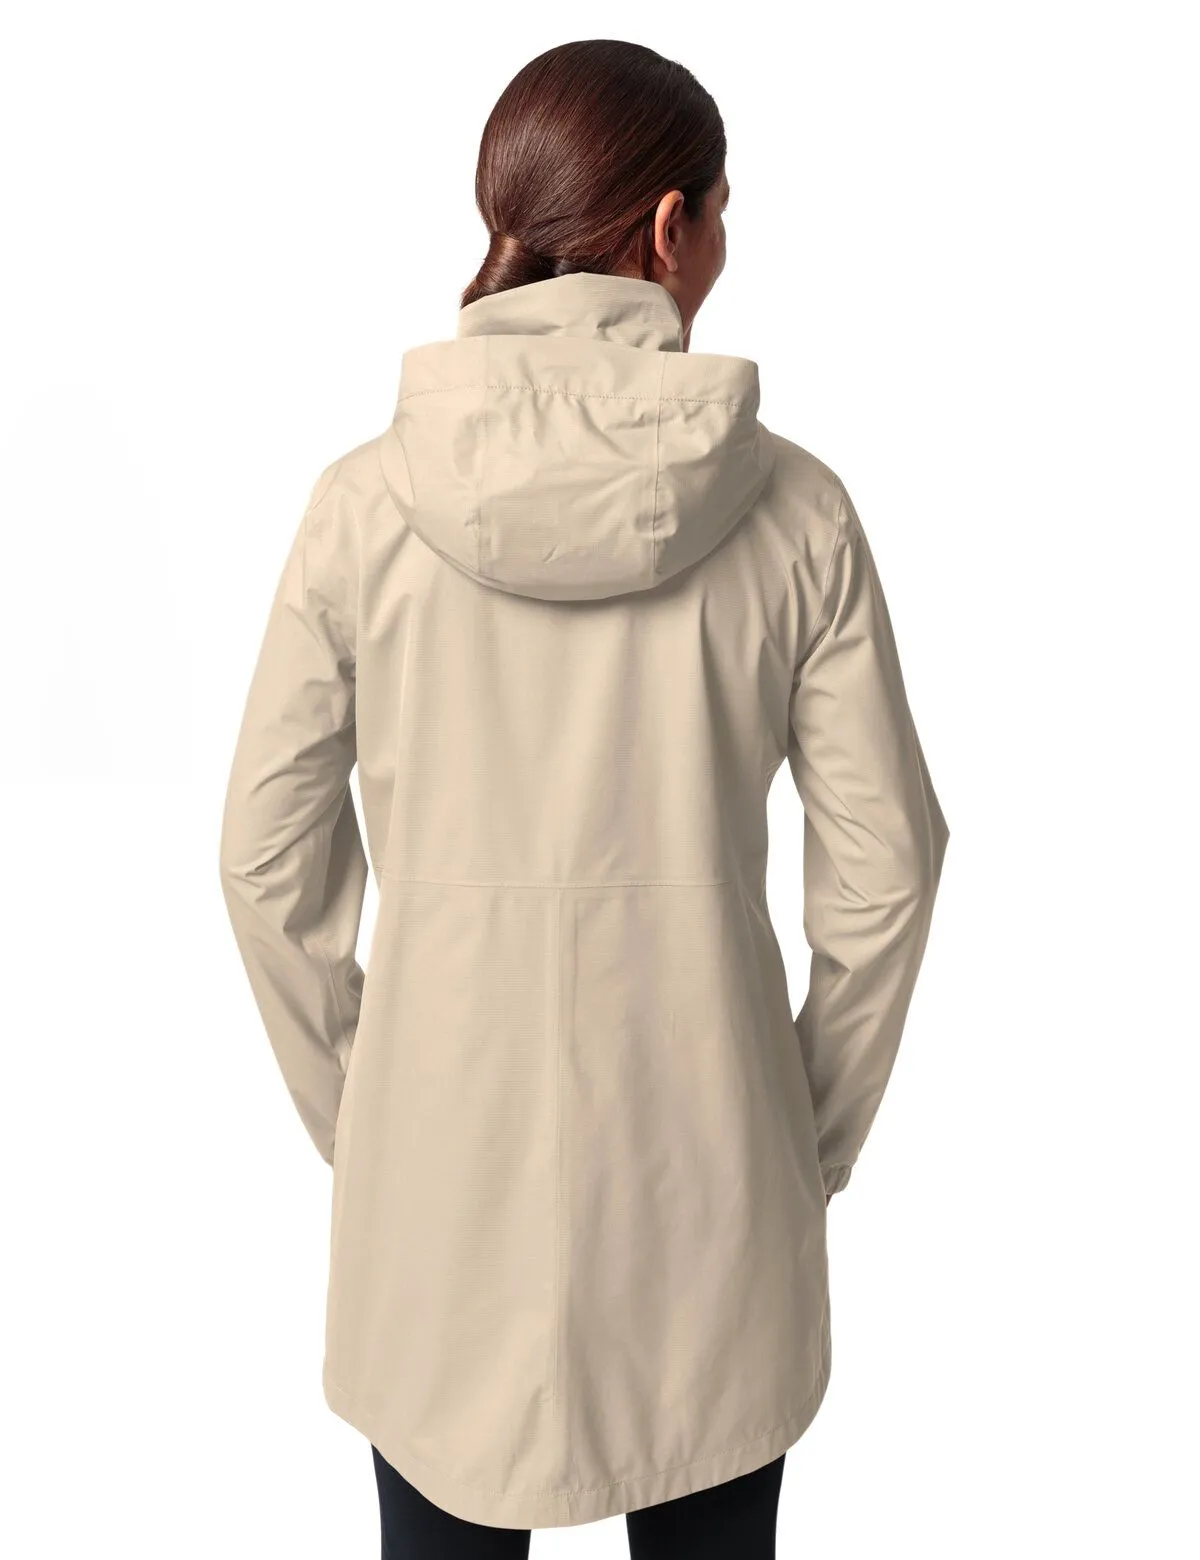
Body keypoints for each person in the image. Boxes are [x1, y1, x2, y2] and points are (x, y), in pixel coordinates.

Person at [219, 37, 949, 1559]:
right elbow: (888, 867)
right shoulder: (798, 513)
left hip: (441, 1197)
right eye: (726, 213)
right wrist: (798, 1138)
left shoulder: (361, 508)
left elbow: (265, 862)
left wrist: (375, 1112)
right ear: (672, 228)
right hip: (714, 1200)